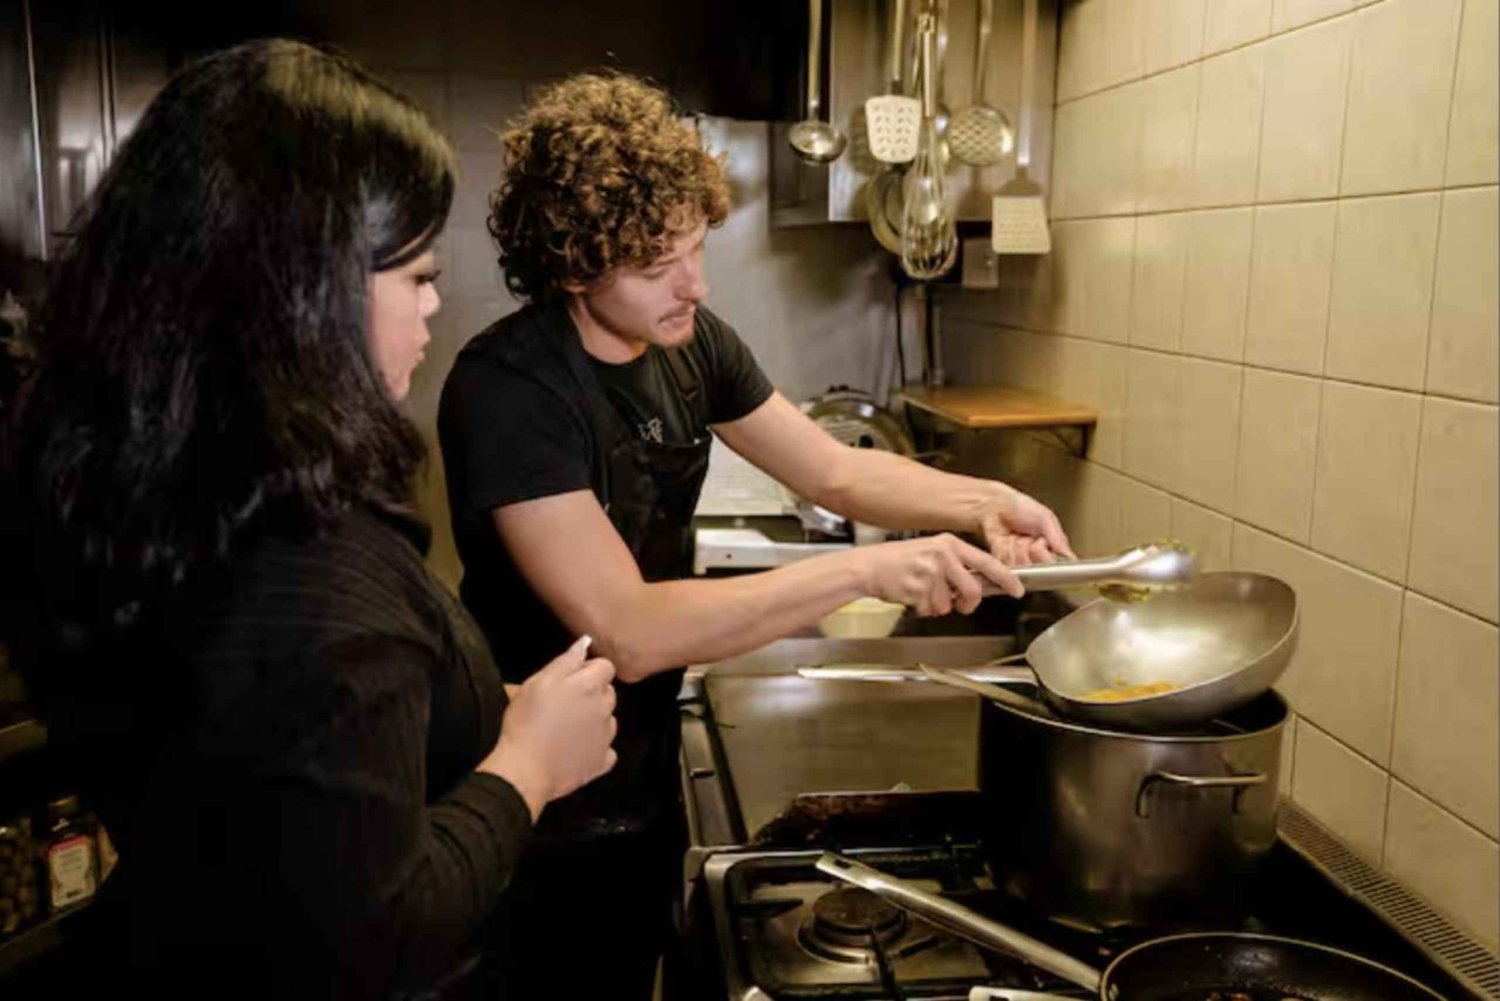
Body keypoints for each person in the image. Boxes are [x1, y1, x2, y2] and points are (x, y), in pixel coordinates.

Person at [0, 40, 617, 999]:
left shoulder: (150, 474)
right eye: (413, 276)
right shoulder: (312, 571)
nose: (432, 307)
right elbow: (374, 936)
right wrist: (530, 761)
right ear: (304, 289)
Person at [436, 72, 1074, 997]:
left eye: (697, 248)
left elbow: (835, 469)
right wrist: (864, 569)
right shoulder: (511, 391)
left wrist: (980, 499)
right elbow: (629, 629)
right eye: (659, 264)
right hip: (534, 804)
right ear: (575, 263)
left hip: (640, 769)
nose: (694, 284)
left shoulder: (690, 342)